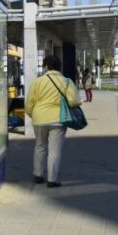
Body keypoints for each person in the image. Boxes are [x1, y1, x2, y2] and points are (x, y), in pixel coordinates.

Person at [25, 55, 81, 188]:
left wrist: (33, 115)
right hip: (58, 120)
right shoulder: (66, 82)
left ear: (46, 66)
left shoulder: (37, 82)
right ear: (59, 67)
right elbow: (74, 101)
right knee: (54, 151)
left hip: (39, 119)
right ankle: (52, 180)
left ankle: (38, 175)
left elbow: (29, 104)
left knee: (39, 146)